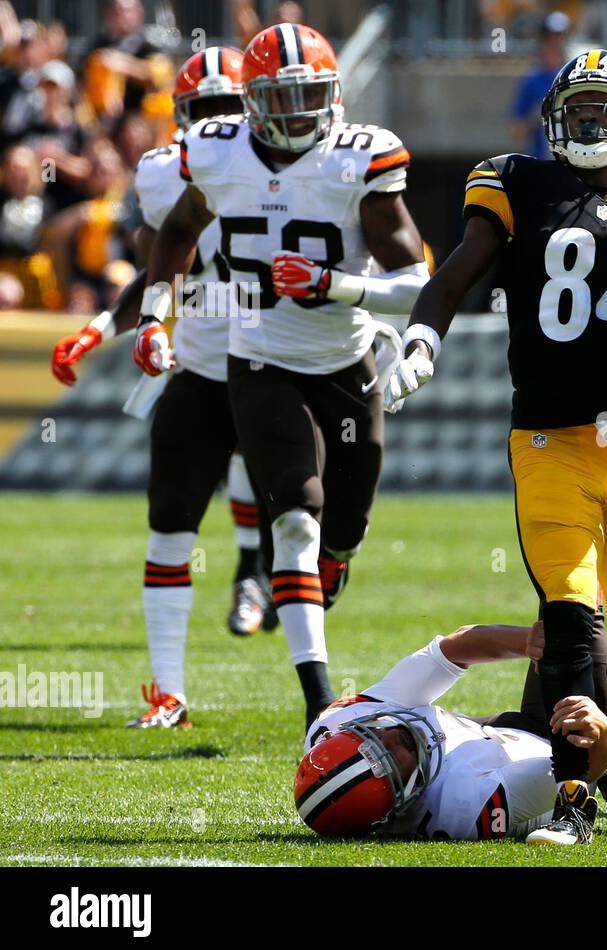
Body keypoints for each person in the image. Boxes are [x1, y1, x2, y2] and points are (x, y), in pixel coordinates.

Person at [387, 49, 607, 846]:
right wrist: (423, 338)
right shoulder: (515, 180)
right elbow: (460, 269)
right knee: (572, 617)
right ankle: (573, 793)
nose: (591, 122)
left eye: (606, 110)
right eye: (579, 109)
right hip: (546, 441)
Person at [135, 23, 429, 728]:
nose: (299, 113)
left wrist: (334, 284)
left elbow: (417, 279)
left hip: (344, 359)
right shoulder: (215, 152)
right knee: (296, 512)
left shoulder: (357, 161)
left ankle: (333, 563)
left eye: (311, 97)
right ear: (253, 101)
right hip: (260, 357)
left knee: (343, 528)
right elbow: (176, 234)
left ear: (332, 97)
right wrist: (153, 314)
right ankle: (318, 703)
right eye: (283, 98)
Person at [48, 48, 279, 729]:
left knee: (308, 520)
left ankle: (278, 598)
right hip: (202, 364)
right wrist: (100, 328)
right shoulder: (162, 173)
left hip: (281, 362)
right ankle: (171, 689)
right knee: (170, 524)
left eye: (226, 109)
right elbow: (161, 261)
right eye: (203, 111)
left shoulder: (288, 169)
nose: (213, 124)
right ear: (181, 116)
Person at [295, 621, 607, 841]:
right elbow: (582, 769)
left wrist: (528, 641)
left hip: (483, 733)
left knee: (556, 616)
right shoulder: (461, 807)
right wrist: (601, 729)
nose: (392, 736)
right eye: (391, 757)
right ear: (399, 800)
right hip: (546, 750)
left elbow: (454, 648)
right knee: (577, 630)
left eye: (373, 736)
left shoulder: (337, 723)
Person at [508, 11, 569, 159]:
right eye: (551, 37)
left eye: (561, 36)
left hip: (577, 162)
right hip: (543, 161)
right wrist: (540, 116)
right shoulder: (532, 80)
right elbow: (516, 128)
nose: (557, 42)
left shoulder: (574, 74)